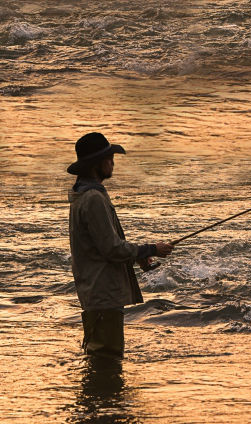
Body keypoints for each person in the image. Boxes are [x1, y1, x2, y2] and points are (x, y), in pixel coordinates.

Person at [67, 132, 173, 358]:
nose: (112, 162)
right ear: (96, 163)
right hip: (102, 292)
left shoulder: (84, 195)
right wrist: (151, 249)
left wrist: (136, 256)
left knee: (100, 355)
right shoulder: (93, 198)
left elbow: (103, 244)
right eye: (108, 157)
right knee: (107, 358)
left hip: (97, 291)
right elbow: (112, 248)